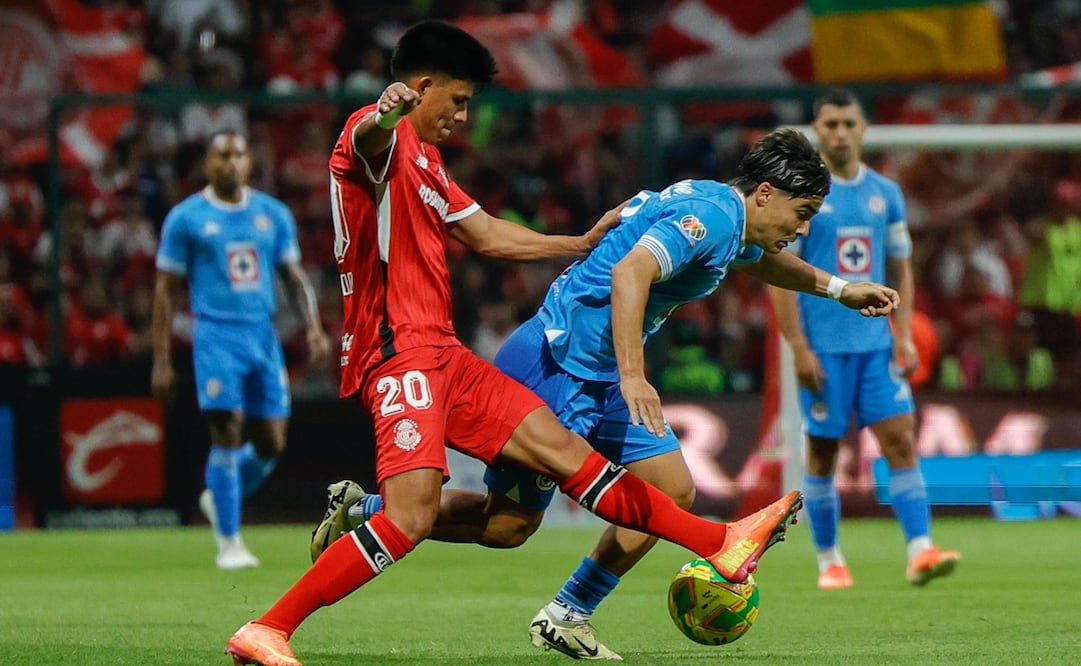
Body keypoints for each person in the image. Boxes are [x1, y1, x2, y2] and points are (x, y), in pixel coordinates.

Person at [220, 21, 876, 666]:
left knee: (552, 482)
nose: (463, 116)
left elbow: (486, 234)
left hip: (445, 350)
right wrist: (385, 112)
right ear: (420, 87)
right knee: (415, 519)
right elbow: (368, 136)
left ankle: (709, 547)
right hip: (404, 353)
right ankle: (269, 626)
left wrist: (578, 242)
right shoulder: (378, 138)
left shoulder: (429, 164)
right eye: (458, 100)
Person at [306, 129, 903, 661]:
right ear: (767, 193)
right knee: (506, 527)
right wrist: (634, 374)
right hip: (556, 365)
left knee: (672, 489)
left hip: (600, 374)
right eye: (803, 213)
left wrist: (839, 288)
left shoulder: (731, 218)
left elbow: (763, 262)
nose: (804, 229)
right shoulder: (713, 216)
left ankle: (568, 614)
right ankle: (369, 512)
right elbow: (630, 271)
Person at [767, 88, 961, 590]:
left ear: (864, 129)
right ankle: (829, 559)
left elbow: (901, 267)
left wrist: (905, 334)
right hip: (824, 348)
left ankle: (920, 550)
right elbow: (779, 274)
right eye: (830, 124)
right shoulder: (803, 196)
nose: (840, 133)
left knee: (901, 440)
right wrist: (798, 346)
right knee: (824, 454)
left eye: (848, 124)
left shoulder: (886, 193)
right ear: (817, 130)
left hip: (876, 346)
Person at [152, 131, 331, 570]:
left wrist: (313, 327)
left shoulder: (273, 214)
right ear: (207, 164)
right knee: (227, 428)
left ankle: (219, 496)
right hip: (215, 335)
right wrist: (161, 359)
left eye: (238, 154)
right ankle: (229, 541)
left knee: (271, 441)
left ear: (250, 161)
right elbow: (165, 289)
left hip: (262, 336)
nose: (230, 162)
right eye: (221, 155)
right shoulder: (187, 218)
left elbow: (293, 276)